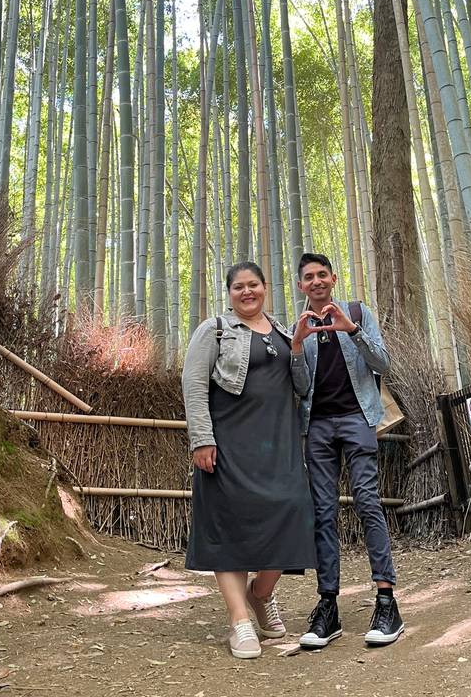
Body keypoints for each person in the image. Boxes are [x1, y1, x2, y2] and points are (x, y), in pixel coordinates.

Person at [182, 260, 318, 659]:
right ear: (229, 292)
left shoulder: (282, 331)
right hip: (229, 442)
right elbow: (193, 384)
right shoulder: (215, 329)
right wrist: (202, 439)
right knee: (230, 529)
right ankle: (240, 621)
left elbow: (303, 385)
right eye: (239, 286)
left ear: (265, 288)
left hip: (278, 444)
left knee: (292, 511)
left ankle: (261, 594)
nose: (247, 292)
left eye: (253, 285)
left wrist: (296, 349)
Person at [294, 252, 404, 649]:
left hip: (358, 419)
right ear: (301, 285)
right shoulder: (299, 325)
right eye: (309, 277)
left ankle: (386, 600)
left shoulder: (357, 311)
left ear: (334, 278)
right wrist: (295, 347)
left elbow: (384, 364)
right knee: (323, 512)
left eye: (322, 274)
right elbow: (301, 387)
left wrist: (352, 329)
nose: (317, 281)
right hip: (317, 426)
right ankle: (328, 607)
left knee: (369, 503)